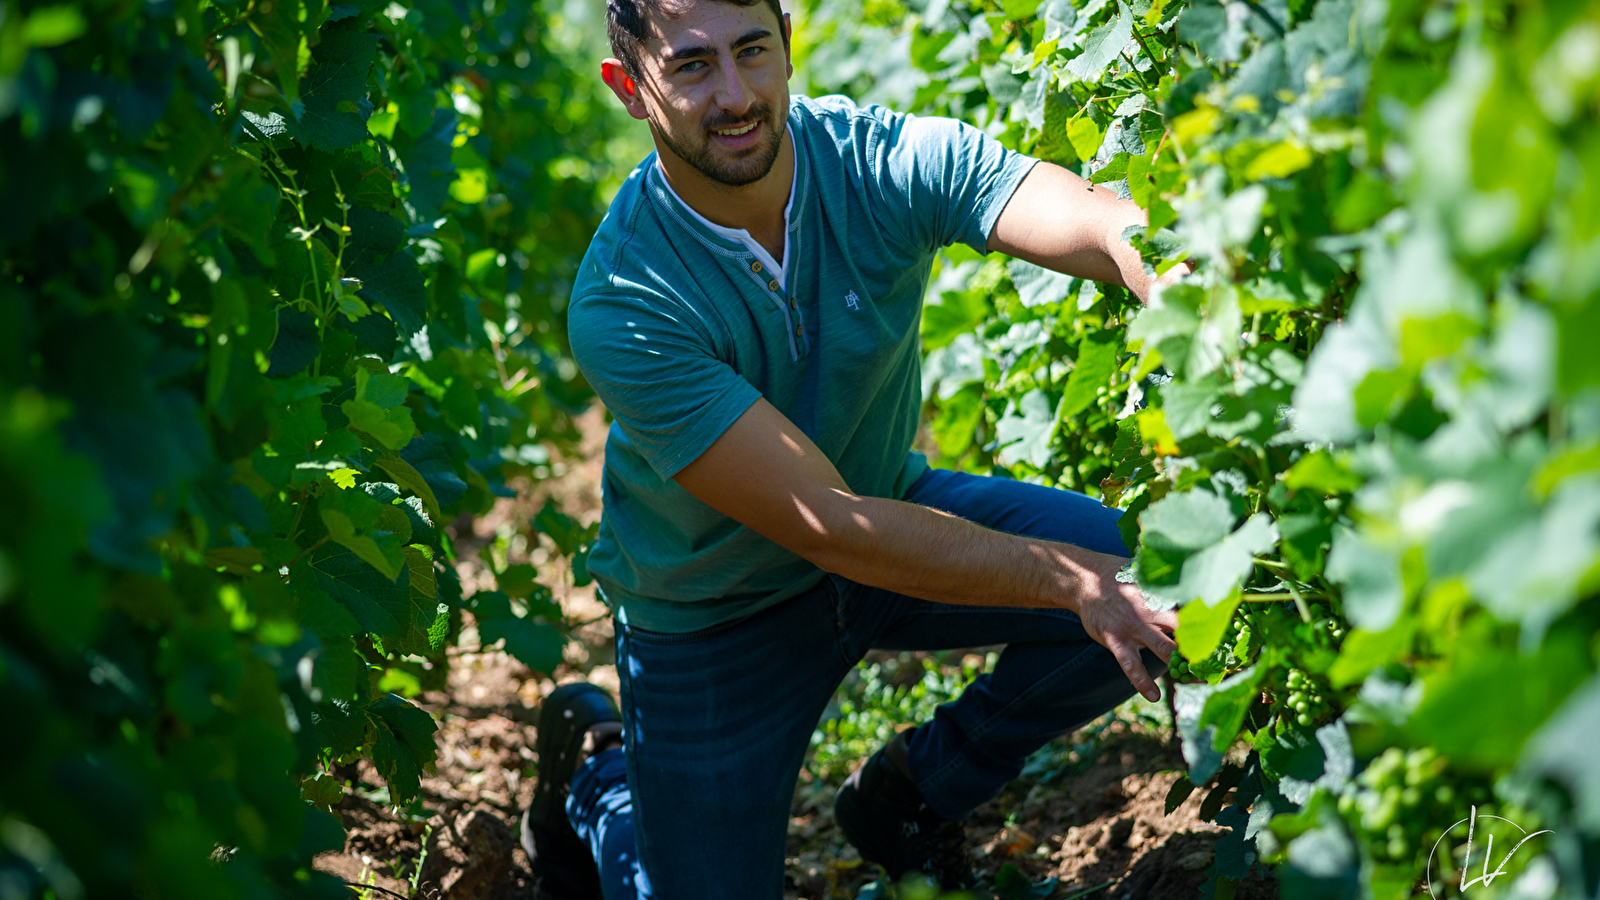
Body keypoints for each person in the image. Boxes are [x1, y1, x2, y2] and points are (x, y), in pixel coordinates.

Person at [518, 0, 1181, 896]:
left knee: (1162, 576)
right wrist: (1076, 584)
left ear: (788, 42)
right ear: (630, 88)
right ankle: (600, 774)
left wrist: (1145, 254)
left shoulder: (868, 160)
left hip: (891, 515)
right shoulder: (628, 298)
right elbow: (830, 526)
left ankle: (913, 794)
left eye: (753, 51)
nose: (736, 94)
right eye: (692, 66)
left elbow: (1059, 206)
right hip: (714, 618)